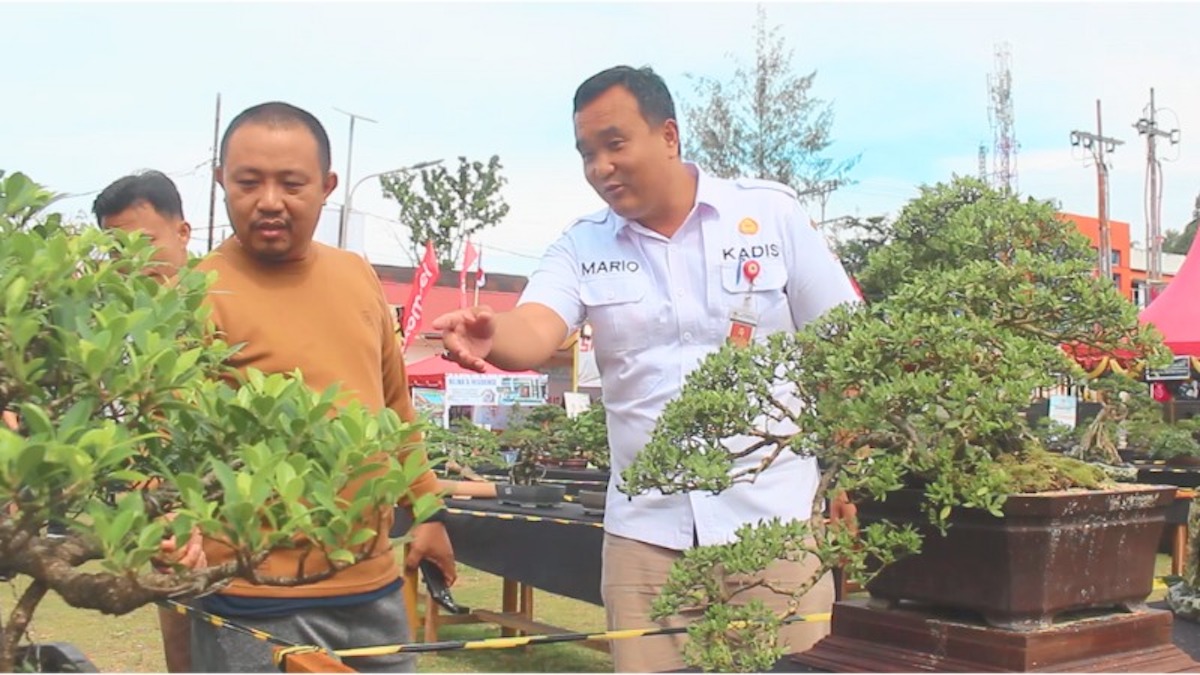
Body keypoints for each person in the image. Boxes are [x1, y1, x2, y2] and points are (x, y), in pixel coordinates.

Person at [434, 65, 860, 672]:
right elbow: (534, 328)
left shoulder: (771, 218)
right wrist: (492, 332)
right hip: (647, 542)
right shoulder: (582, 246)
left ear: (668, 136)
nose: (600, 168)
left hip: (776, 529)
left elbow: (845, 348)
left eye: (615, 144)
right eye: (586, 154)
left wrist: (848, 473)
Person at [191, 101, 455, 672]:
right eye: (247, 182)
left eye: (291, 183)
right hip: (253, 598)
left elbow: (394, 408)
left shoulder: (357, 275)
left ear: (327, 185)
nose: (269, 201)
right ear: (220, 183)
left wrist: (428, 512)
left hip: (374, 585)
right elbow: (166, 444)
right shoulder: (197, 294)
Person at [92, 170, 196, 673]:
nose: (130, 260)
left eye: (144, 242)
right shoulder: (117, 330)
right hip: (164, 525)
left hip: (239, 524)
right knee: (181, 652)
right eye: (116, 248)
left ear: (183, 233)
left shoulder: (227, 313)